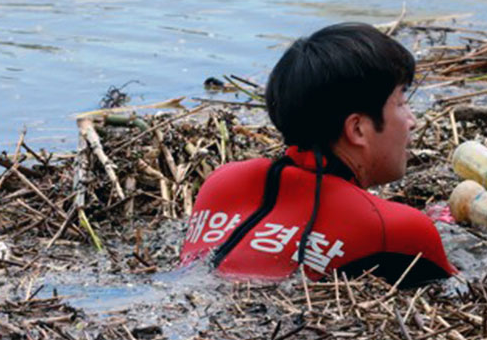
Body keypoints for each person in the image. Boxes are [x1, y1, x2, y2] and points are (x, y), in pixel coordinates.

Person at [179, 22, 458, 288]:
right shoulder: (394, 227)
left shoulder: (222, 183)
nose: (412, 121)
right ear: (358, 129)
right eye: (401, 102)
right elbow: (458, 291)